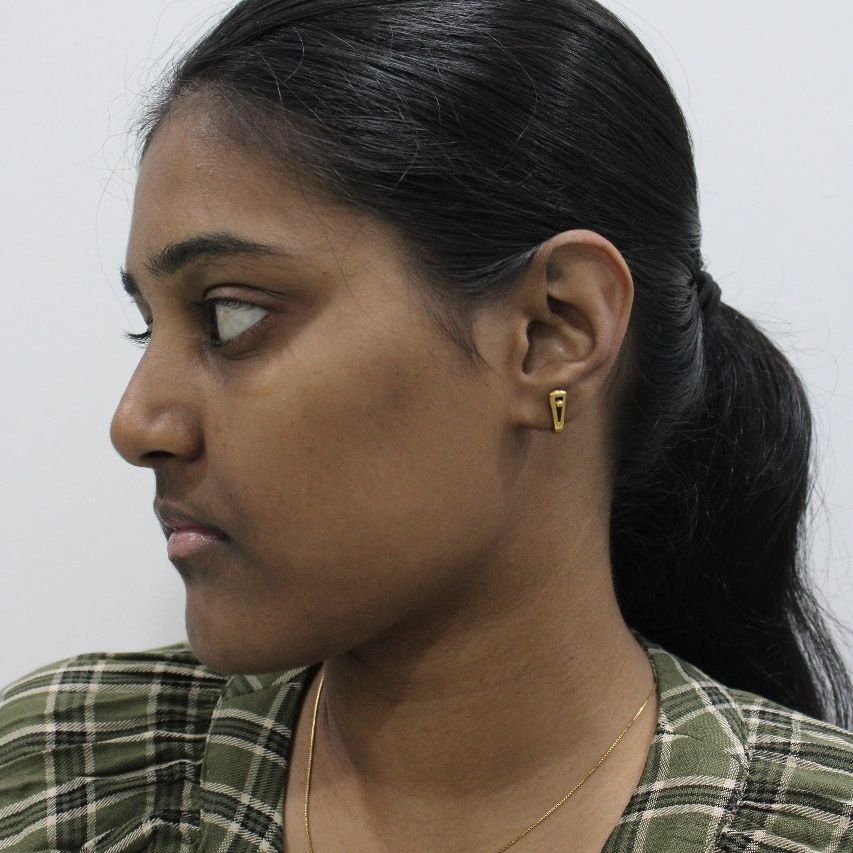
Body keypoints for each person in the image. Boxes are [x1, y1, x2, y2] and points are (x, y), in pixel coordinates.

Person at [1, 0, 852, 850]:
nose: (136, 423)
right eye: (148, 326)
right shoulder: (60, 778)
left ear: (553, 332)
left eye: (231, 316)